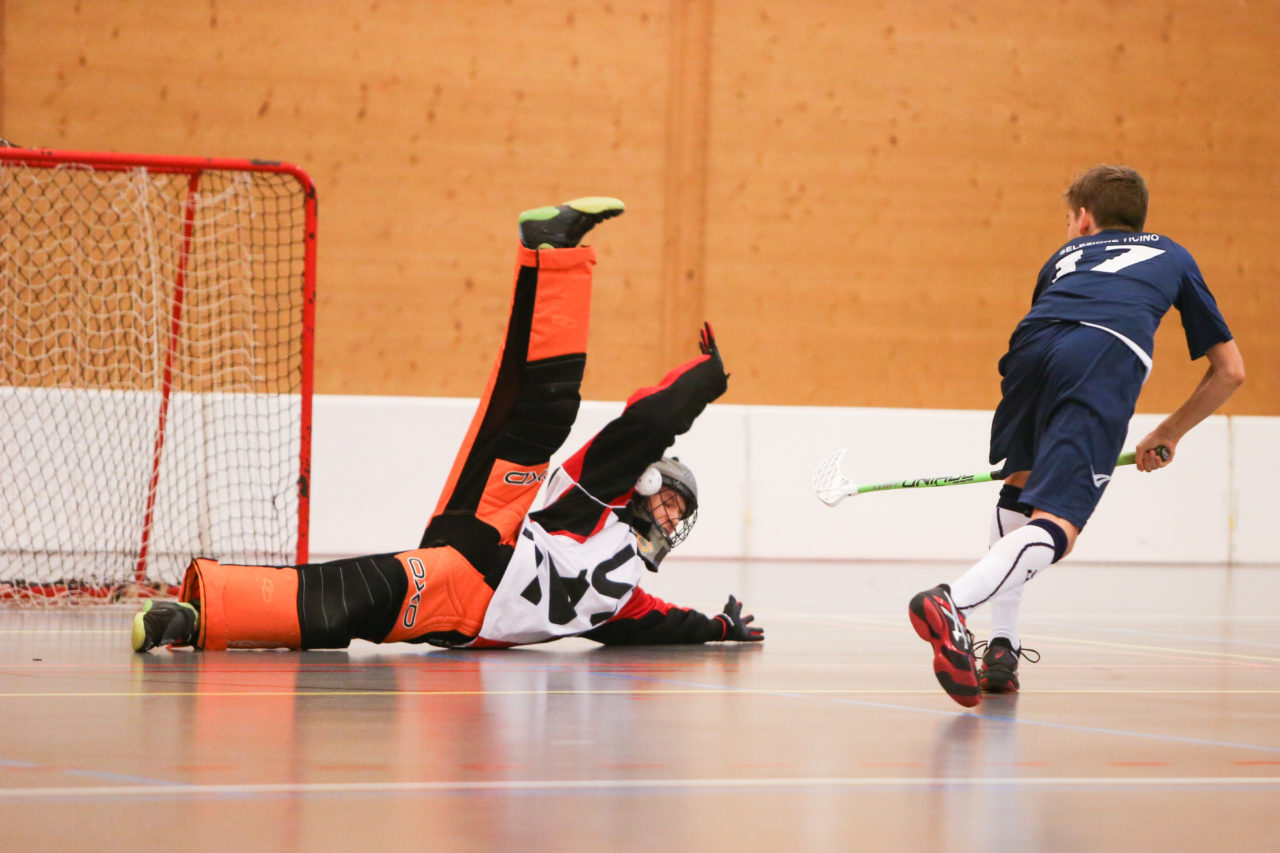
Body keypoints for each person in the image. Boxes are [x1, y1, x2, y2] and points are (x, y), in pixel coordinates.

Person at [132, 197, 763, 653]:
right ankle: (553, 254)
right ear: (647, 489)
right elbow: (646, 426)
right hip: (494, 537)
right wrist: (706, 382)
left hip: (460, 613)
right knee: (536, 419)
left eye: (682, 514)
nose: (673, 518)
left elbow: (671, 625)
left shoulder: (625, 599)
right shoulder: (599, 496)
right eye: (672, 501)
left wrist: (722, 627)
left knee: (346, 605)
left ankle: (192, 617)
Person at [909, 165, 1244, 707]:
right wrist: (1169, 431)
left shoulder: (1060, 259)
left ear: (1084, 220)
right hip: (1101, 356)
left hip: (1029, 347)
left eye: (1068, 219)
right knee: (1060, 523)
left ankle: (1002, 647)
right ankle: (953, 603)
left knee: (1022, 484)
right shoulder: (1173, 255)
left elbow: (1055, 323)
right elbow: (1230, 370)